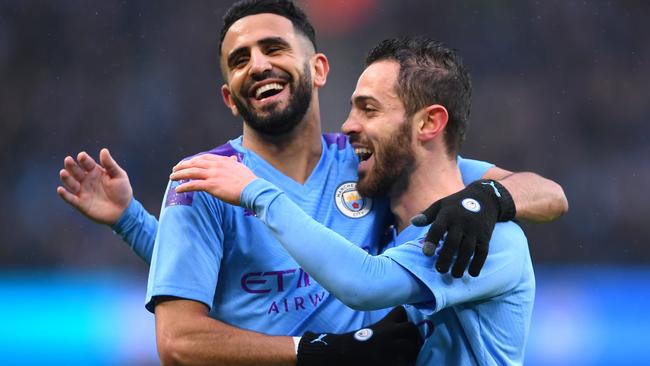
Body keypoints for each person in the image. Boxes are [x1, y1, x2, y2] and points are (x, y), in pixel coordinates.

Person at [56, 0, 567, 364]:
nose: (258, 64)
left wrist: (491, 198)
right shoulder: (205, 181)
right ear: (229, 97)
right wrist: (318, 353)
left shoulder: (374, 160)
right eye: (240, 59)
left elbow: (545, 193)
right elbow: (178, 342)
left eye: (274, 47)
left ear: (318, 68)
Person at [171, 37, 539, 365]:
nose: (347, 125)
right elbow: (279, 273)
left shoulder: (484, 240)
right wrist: (132, 223)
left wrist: (257, 192)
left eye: (369, 109)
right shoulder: (394, 231)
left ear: (429, 124)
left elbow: (364, 284)